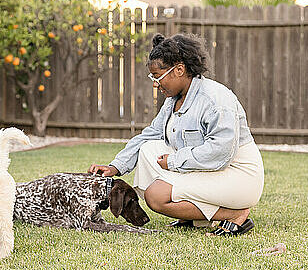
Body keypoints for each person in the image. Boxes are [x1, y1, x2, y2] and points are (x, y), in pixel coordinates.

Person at [89, 33, 264, 236]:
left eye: (158, 77)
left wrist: (174, 161)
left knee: (156, 196)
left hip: (238, 175)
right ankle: (191, 217)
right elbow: (150, 135)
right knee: (148, 149)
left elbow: (221, 152)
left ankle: (234, 214)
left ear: (179, 70)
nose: (155, 84)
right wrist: (115, 167)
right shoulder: (174, 100)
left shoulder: (215, 100)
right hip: (210, 169)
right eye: (152, 77)